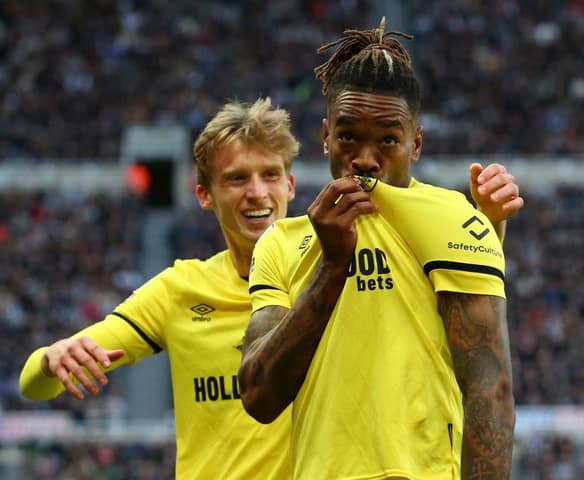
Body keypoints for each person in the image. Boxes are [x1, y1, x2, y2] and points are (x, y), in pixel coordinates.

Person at [19, 106, 518, 477]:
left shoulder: (350, 266)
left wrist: (487, 228)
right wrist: (50, 359)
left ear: (291, 185)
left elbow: (457, 326)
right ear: (204, 195)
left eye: (270, 176)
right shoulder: (179, 290)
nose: (257, 192)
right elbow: (35, 385)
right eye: (237, 179)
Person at [239, 21, 520, 480]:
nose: (366, 157)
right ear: (326, 136)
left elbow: (490, 391)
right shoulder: (281, 242)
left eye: (388, 139)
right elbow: (258, 398)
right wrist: (332, 264)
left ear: (416, 143)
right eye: (348, 136)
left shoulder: (454, 220)